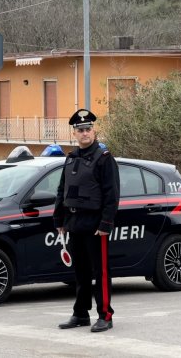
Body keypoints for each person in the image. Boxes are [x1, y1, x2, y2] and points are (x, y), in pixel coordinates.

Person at [53, 109, 120, 333]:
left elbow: (112, 194)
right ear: (74, 133)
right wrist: (59, 219)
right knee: (80, 272)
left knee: (100, 272)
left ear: (94, 130)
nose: (85, 133)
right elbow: (62, 190)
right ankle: (81, 313)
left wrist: (106, 224)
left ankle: (105, 315)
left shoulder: (104, 158)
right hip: (74, 222)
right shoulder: (71, 158)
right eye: (80, 130)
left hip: (95, 225)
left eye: (88, 129)